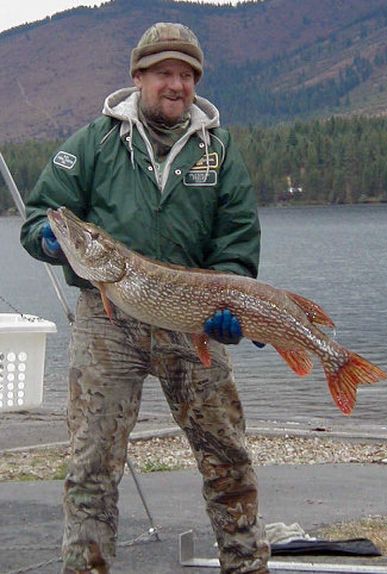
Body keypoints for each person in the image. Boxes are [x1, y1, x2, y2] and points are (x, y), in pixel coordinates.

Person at [20, 22, 269, 574]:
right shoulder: (94, 141)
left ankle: (246, 565)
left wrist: (227, 300)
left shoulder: (219, 151)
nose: (176, 85)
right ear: (139, 77)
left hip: (193, 321)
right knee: (92, 466)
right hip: (107, 319)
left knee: (228, 458)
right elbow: (44, 213)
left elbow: (236, 237)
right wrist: (47, 238)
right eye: (164, 73)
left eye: (186, 75)